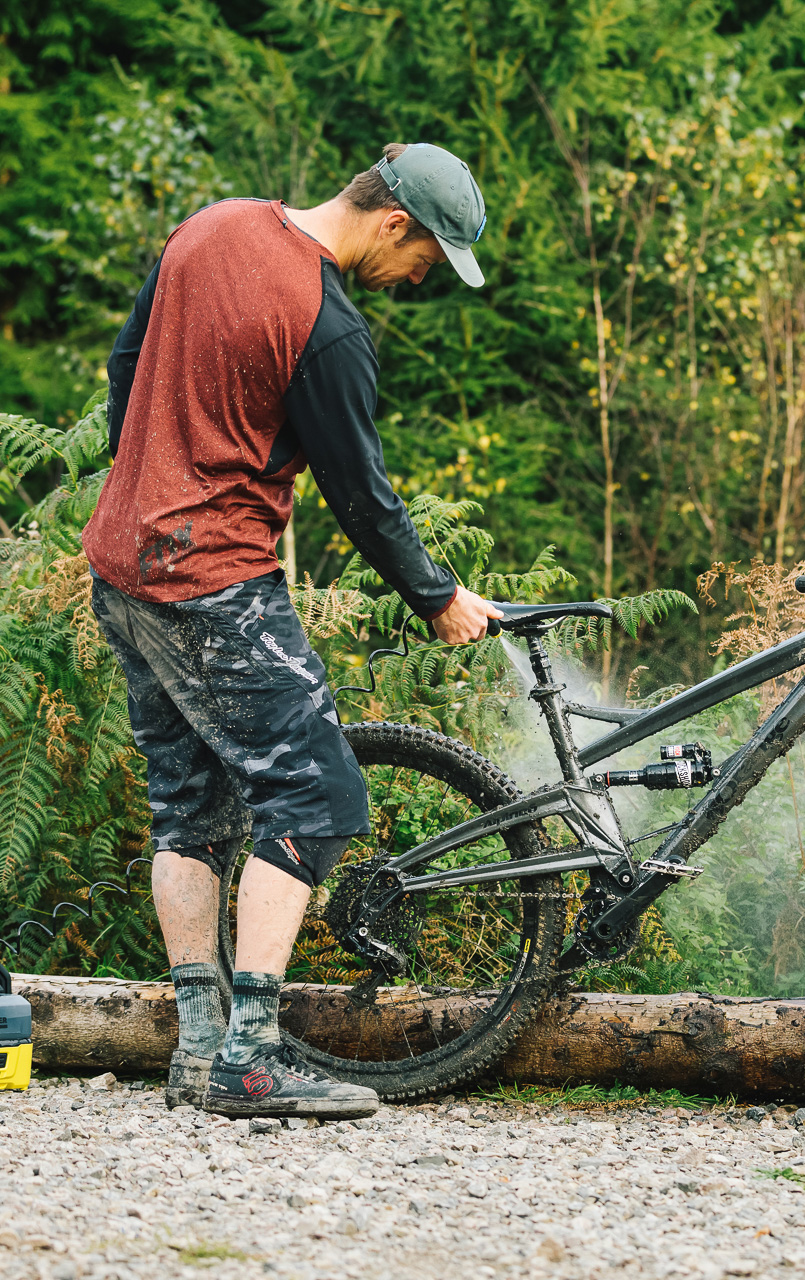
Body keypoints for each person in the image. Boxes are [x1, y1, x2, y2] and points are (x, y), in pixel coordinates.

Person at [81, 143, 502, 1119]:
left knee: (189, 807)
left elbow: (124, 364)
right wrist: (437, 595)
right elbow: (362, 494)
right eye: (429, 260)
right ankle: (251, 1057)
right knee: (317, 796)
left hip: (123, 561)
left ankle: (198, 1049)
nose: (419, 279)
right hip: (214, 580)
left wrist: (143, 474)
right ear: (395, 222)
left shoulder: (213, 224)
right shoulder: (327, 324)